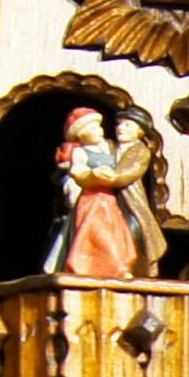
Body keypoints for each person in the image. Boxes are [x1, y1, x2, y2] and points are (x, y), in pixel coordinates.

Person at [42, 104, 160, 280]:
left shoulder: (138, 150)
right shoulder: (103, 147)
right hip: (94, 198)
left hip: (124, 199)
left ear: (140, 131)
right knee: (94, 228)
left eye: (128, 125)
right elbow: (76, 170)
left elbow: (129, 171)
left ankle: (126, 266)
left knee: (130, 230)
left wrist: (112, 176)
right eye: (119, 124)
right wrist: (84, 174)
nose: (120, 128)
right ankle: (90, 266)